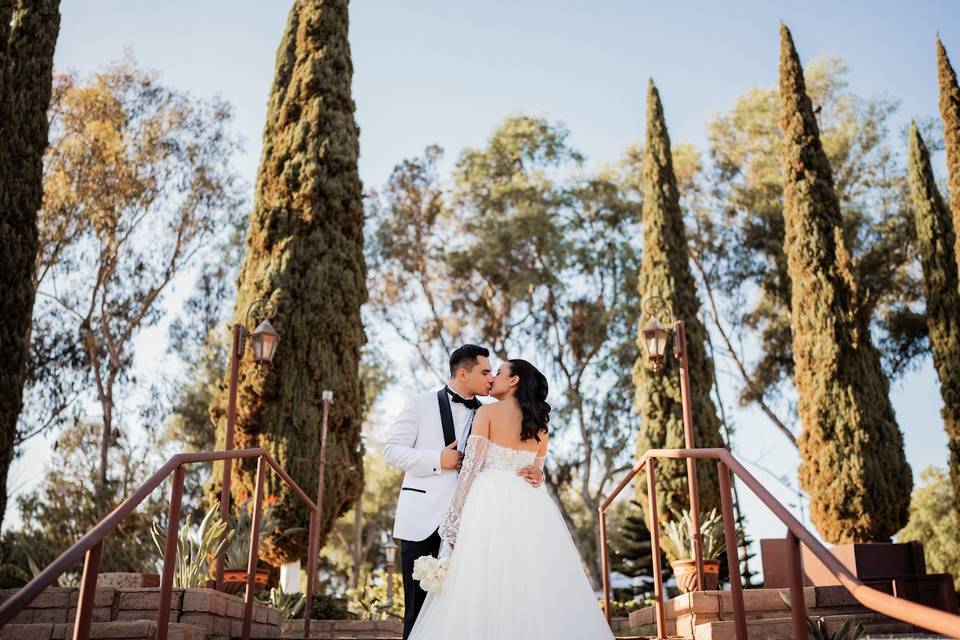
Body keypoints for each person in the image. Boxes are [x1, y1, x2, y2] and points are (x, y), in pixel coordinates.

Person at [408, 359, 614, 640]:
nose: (492, 378)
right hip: (529, 505)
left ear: (514, 380)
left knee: (483, 577)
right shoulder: (540, 425)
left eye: (499, 372)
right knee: (528, 578)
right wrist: (538, 478)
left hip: (488, 501)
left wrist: (453, 517)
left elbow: (470, 469)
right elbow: (535, 473)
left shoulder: (488, 414)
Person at [384, 345, 544, 639]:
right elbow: (391, 452)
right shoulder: (419, 403)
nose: (489, 379)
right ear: (462, 373)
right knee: (417, 611)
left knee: (469, 610)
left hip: (475, 524)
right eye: (485, 372)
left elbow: (513, 458)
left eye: (493, 373)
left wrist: (538, 472)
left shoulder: (493, 413)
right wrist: (436, 460)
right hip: (421, 519)